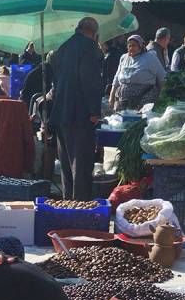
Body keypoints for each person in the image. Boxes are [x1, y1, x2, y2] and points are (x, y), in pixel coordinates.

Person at [50, 17, 105, 200]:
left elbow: (57, 82)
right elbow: (90, 81)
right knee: (81, 167)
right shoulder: (89, 48)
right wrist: (95, 112)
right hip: (80, 115)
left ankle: (68, 205)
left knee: (66, 167)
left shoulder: (63, 48)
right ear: (93, 32)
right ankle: (80, 209)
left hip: (61, 113)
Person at [110, 34, 166, 111]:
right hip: (122, 101)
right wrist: (111, 96)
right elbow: (116, 78)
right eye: (129, 46)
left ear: (141, 46)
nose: (131, 48)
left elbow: (162, 77)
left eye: (134, 45)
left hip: (143, 99)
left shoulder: (150, 57)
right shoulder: (124, 58)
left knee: (138, 122)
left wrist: (163, 99)